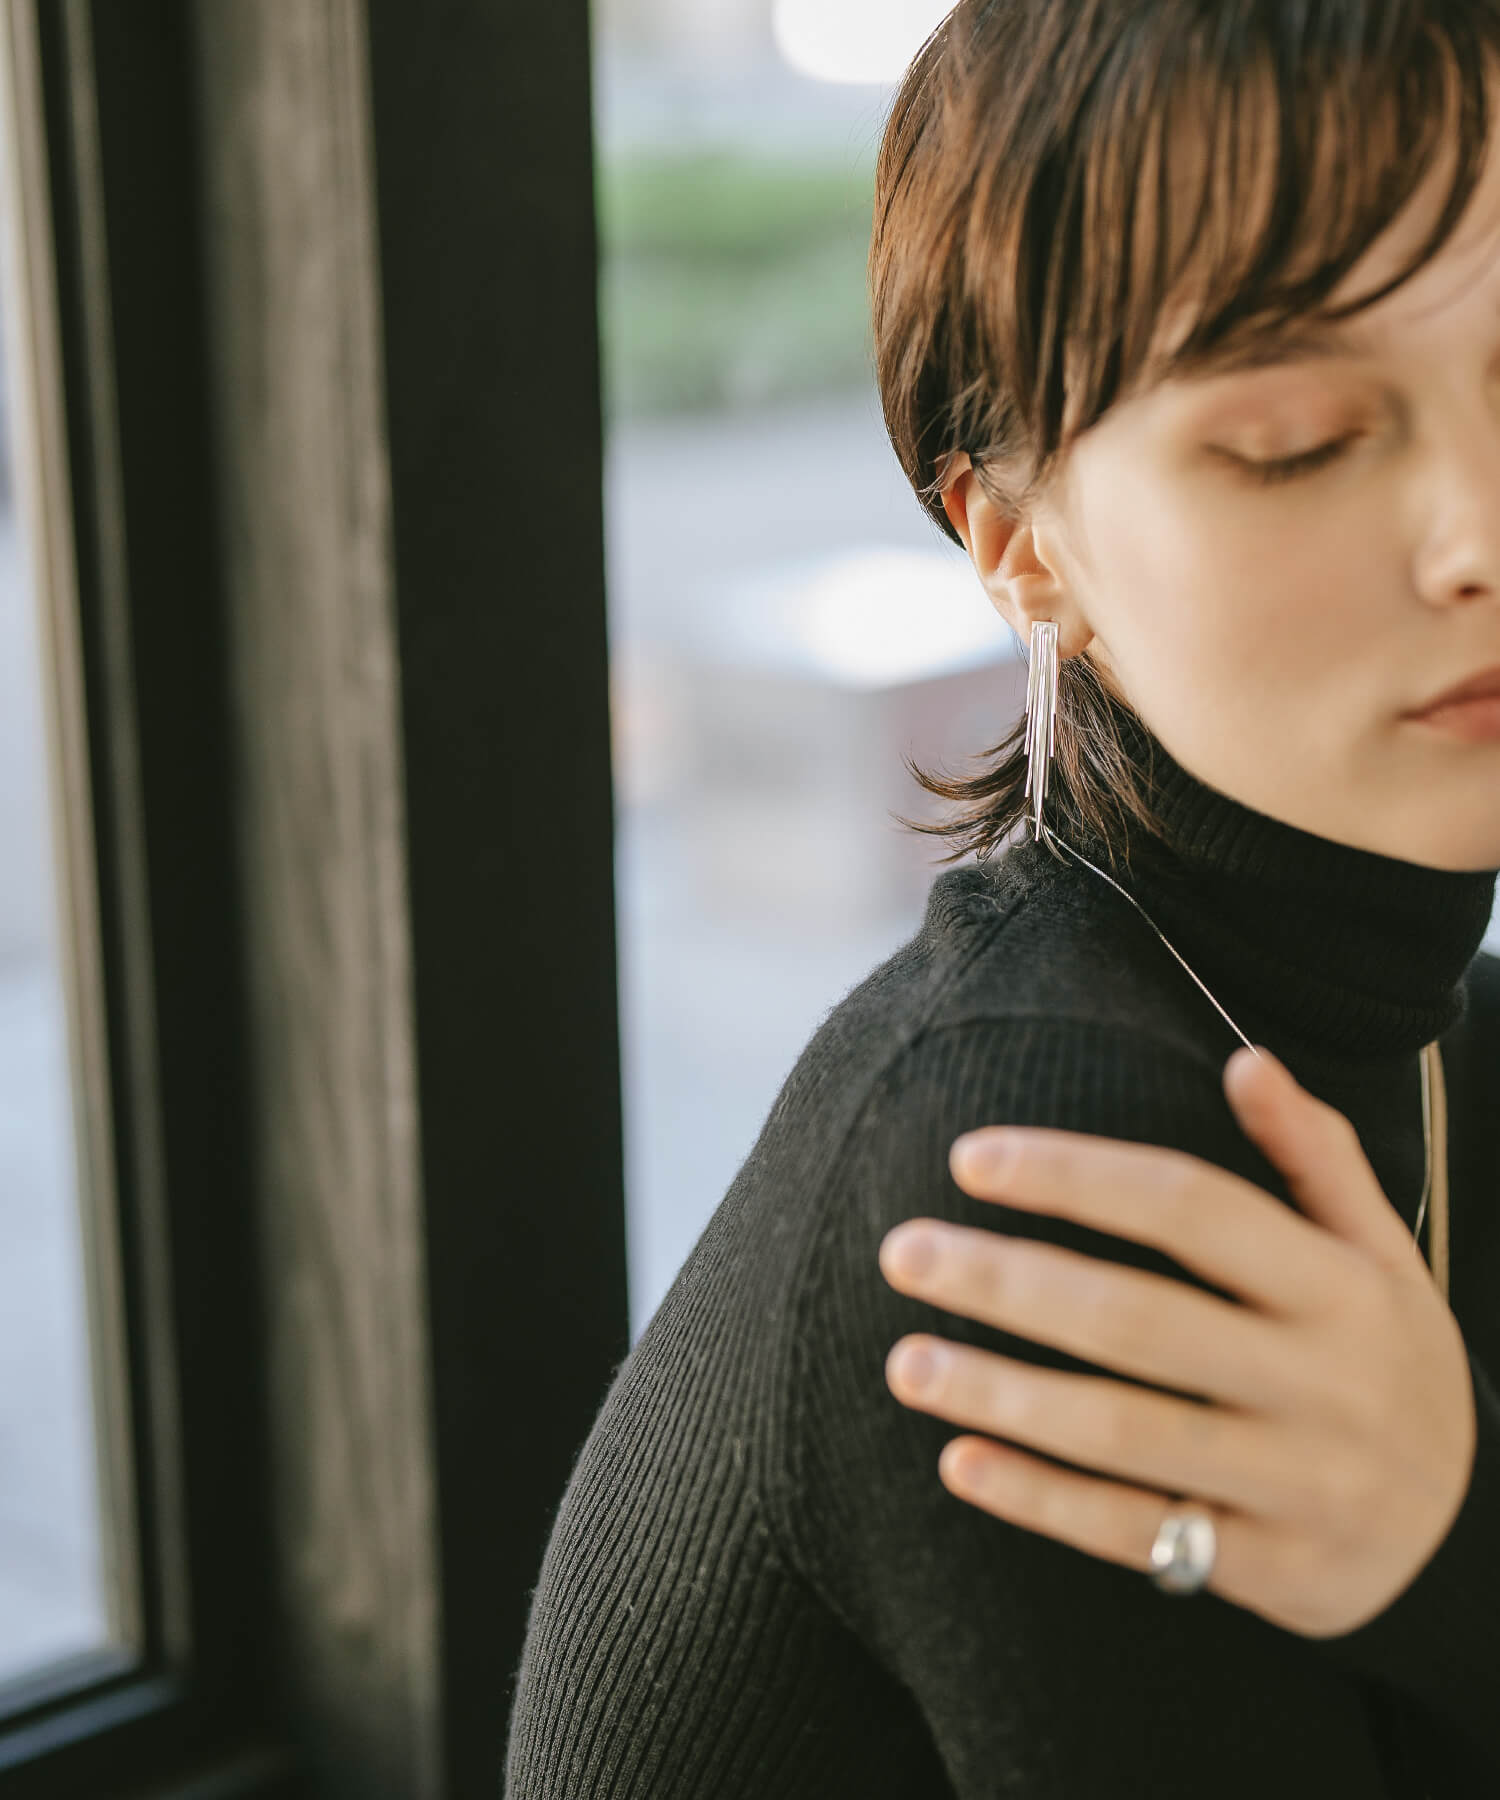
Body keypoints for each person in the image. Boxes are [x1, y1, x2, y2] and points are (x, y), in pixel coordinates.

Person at [504, 3, 1500, 1794]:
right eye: (1296, 441)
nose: (1479, 530)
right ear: (1023, 546)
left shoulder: (1447, 1034)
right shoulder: (1041, 1158)